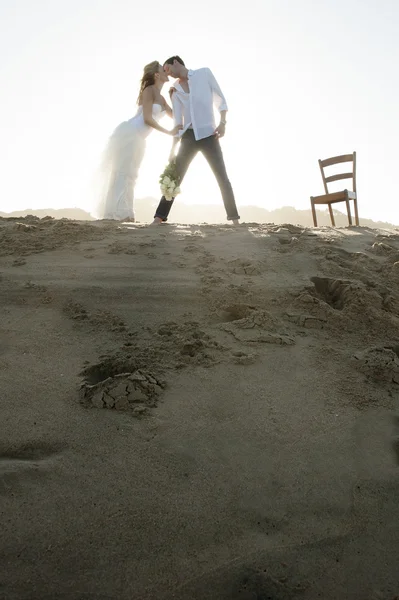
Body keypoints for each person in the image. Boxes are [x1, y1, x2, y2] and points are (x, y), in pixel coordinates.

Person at [151, 56, 240, 226]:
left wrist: (223, 123)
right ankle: (158, 217)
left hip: (209, 135)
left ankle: (235, 219)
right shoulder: (174, 90)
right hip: (188, 137)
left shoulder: (204, 74)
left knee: (222, 177)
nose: (167, 74)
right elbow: (177, 122)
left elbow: (220, 98)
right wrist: (172, 150)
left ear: (176, 63)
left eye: (167, 69)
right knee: (175, 176)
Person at [95, 61, 179, 221]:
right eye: (163, 69)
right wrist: (168, 132)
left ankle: (125, 213)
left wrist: (175, 97)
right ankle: (115, 214)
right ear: (156, 75)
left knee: (131, 175)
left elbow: (175, 115)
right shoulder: (149, 90)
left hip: (140, 139)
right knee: (122, 173)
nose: (166, 71)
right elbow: (147, 119)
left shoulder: (161, 98)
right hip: (130, 134)